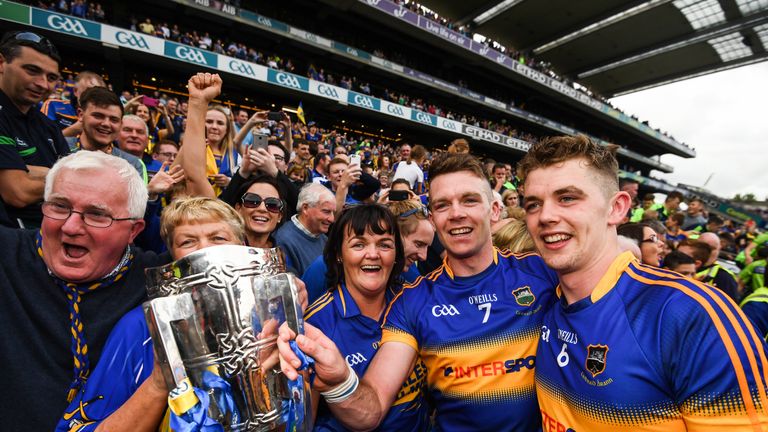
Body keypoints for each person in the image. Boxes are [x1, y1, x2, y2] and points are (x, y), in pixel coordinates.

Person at [278, 153, 559, 431]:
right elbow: (371, 409)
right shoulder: (413, 301)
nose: (457, 213)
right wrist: (340, 380)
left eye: (470, 200)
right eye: (443, 205)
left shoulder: (543, 272)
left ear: (494, 210)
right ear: (434, 219)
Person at [516, 135, 768, 430]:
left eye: (567, 198)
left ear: (617, 208)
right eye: (533, 204)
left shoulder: (687, 313)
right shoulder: (541, 299)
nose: (545, 216)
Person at [55, 197, 249, 431]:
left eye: (218, 238)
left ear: (242, 245)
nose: (204, 250)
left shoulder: (273, 313)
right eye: (188, 242)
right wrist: (160, 381)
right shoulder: (141, 327)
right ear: (173, 256)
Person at [1, 150, 158, 430]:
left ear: (134, 231)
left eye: (97, 214)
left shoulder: (158, 280)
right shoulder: (5, 254)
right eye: (59, 207)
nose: (71, 227)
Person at [304, 204, 428, 431]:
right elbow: (304, 423)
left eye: (384, 244)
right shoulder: (316, 326)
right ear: (339, 255)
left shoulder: (411, 303)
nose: (373, 254)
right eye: (358, 244)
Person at [0, 31, 70, 229]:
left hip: (46, 236)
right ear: (1, 64)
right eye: (32, 70)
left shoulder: (47, 126)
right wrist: (58, 175)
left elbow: (77, 177)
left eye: (51, 77)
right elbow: (18, 193)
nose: (42, 84)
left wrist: (38, 173)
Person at [74, 87, 147, 181]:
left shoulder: (132, 164)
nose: (106, 124)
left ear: (121, 124)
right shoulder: (58, 148)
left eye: (114, 120)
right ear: (81, 115)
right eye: (98, 116)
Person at [274, 182, 335, 275]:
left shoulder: (324, 239)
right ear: (305, 208)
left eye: (333, 213)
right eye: (326, 211)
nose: (332, 219)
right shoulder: (283, 241)